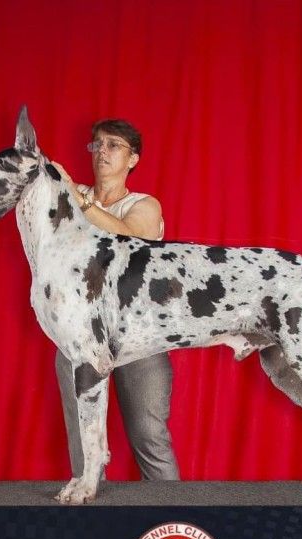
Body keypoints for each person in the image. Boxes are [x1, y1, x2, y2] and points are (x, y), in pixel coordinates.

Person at [51, 119, 179, 481]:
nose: (102, 151)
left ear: (133, 159)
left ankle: (172, 511)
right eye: (97, 144)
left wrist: (79, 200)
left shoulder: (144, 204)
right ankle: (90, 510)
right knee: (83, 439)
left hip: (139, 335)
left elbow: (132, 239)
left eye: (114, 145)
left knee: (149, 436)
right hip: (80, 334)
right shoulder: (68, 194)